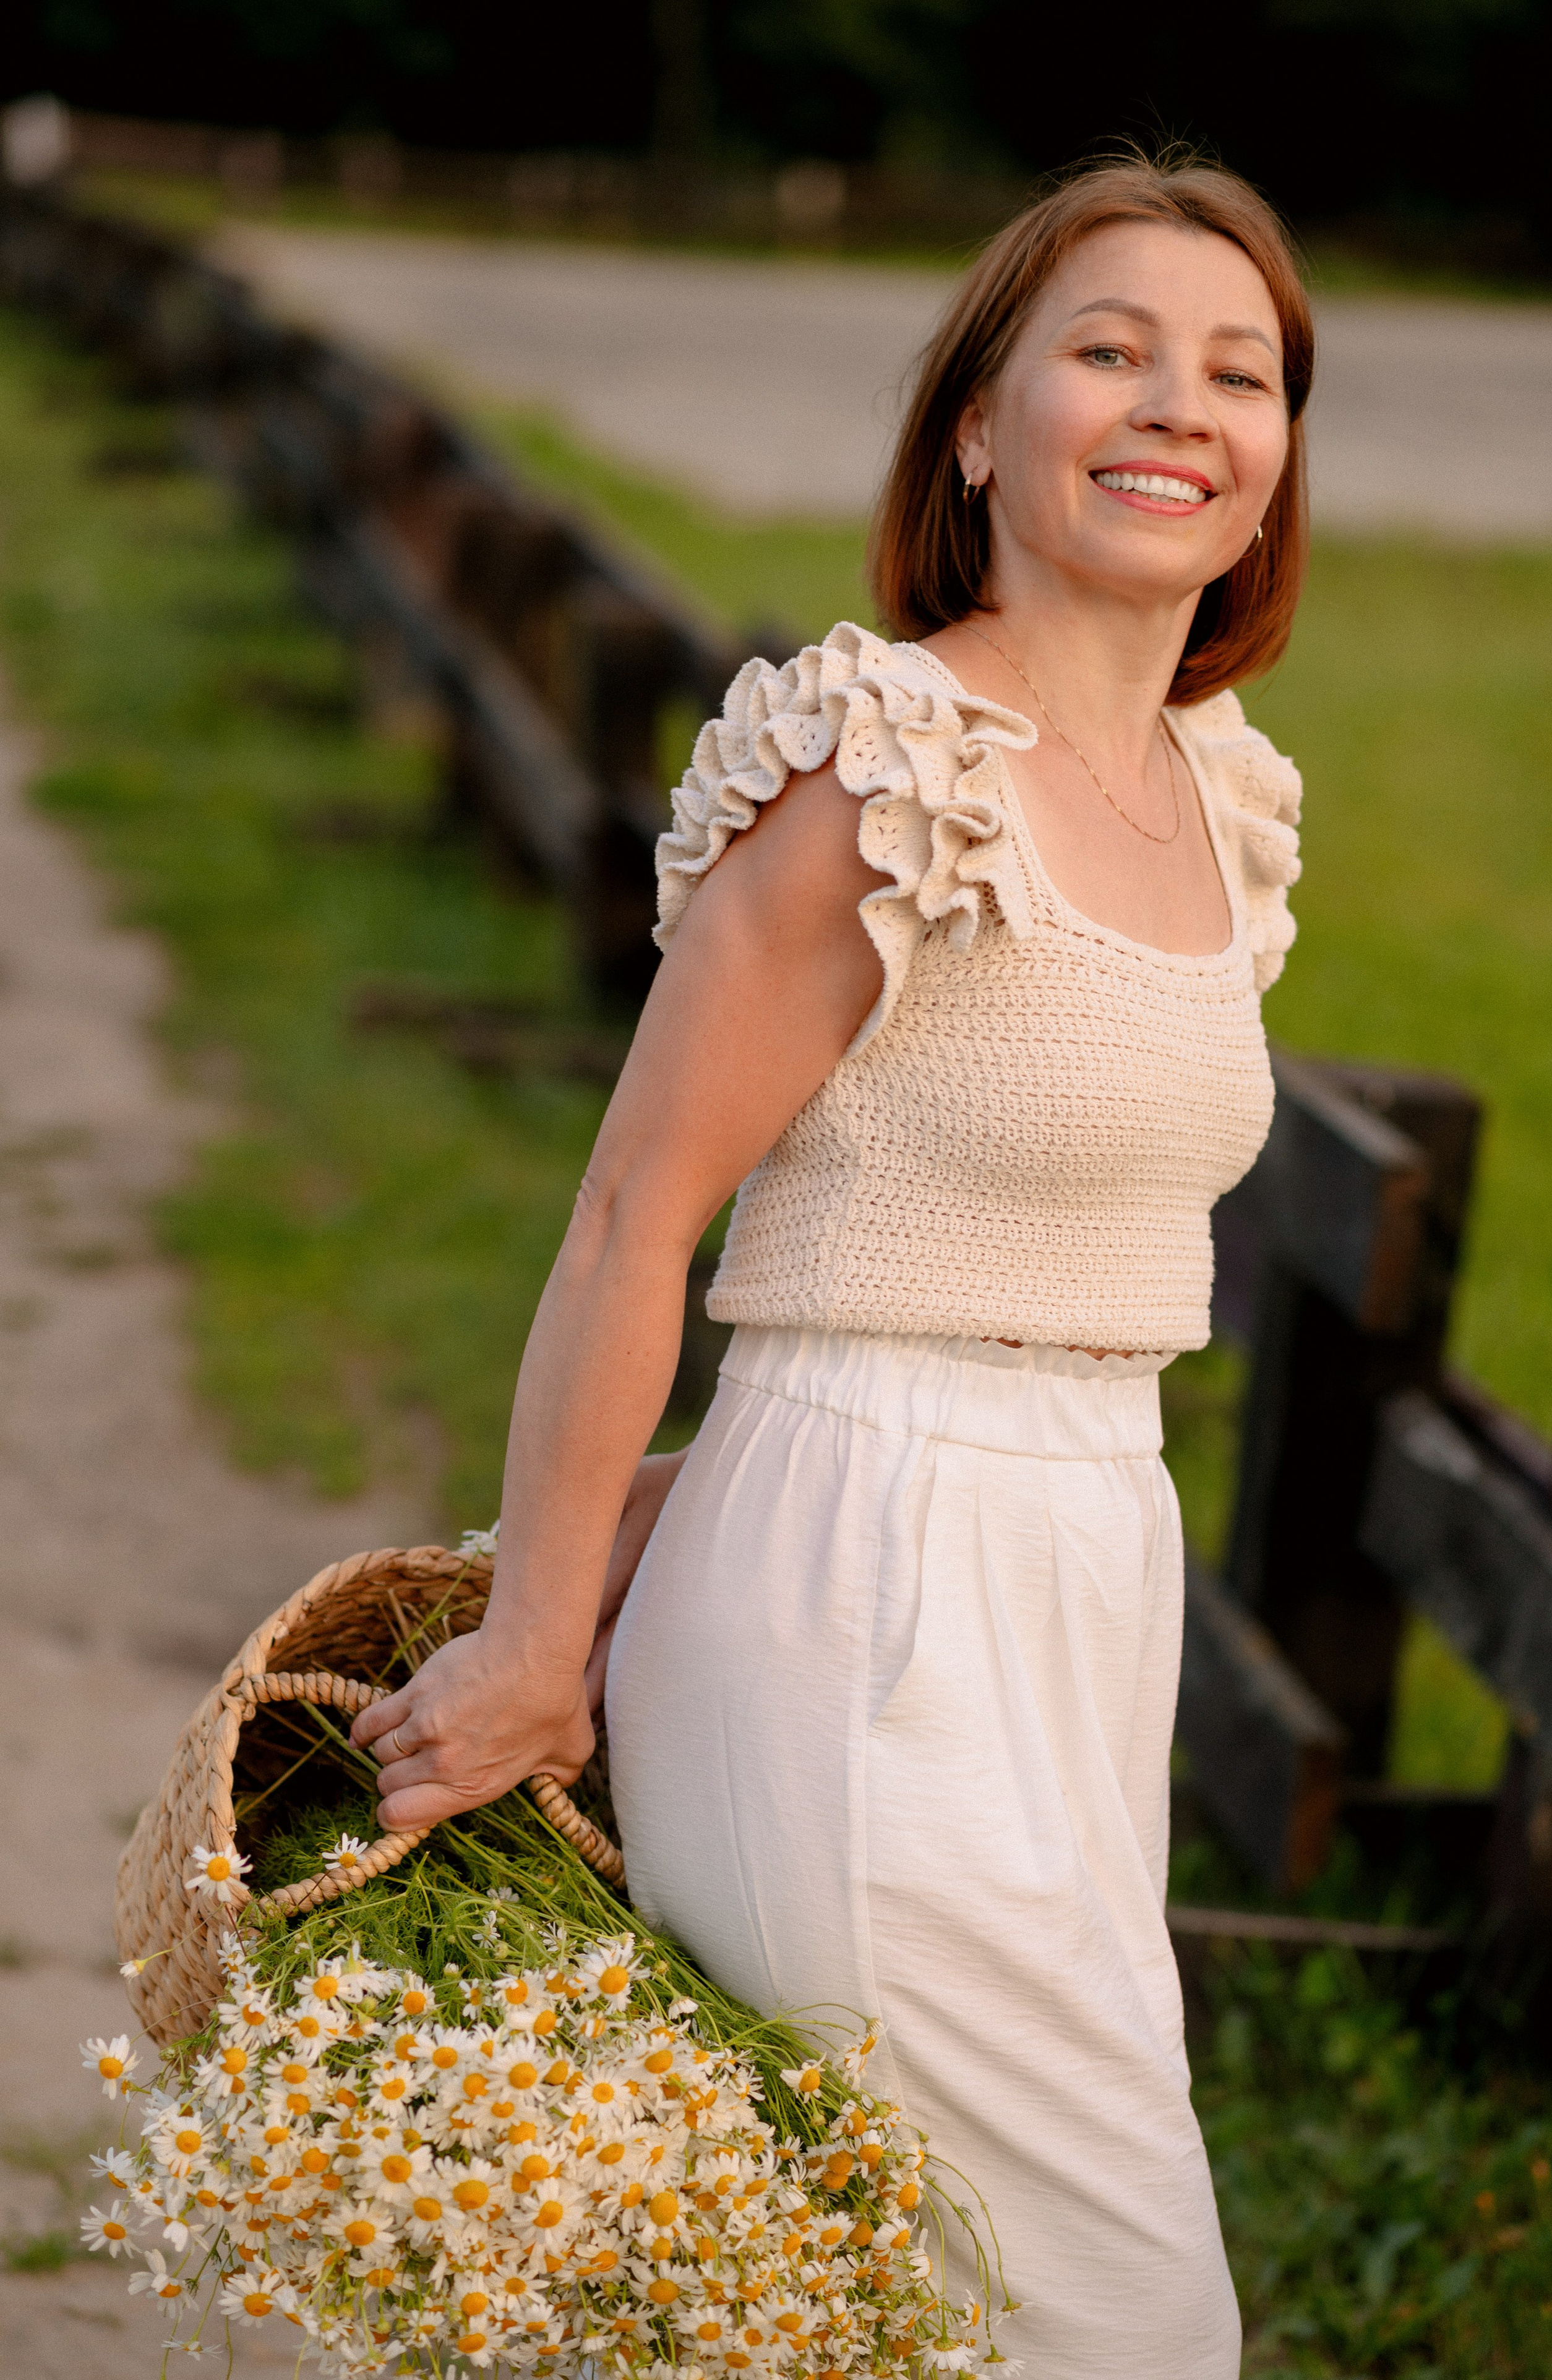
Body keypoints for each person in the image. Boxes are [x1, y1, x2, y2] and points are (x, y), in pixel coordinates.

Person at [352, 147, 1311, 2376]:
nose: (1180, 407)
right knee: (1113, 2316)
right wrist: (536, 1644)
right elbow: (639, 1215)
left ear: (1275, 455)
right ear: (978, 425)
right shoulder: (883, 768)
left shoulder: (1220, 794)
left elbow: (982, 1241)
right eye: (1110, 351)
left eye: (1240, 372)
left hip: (1087, 1583)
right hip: (865, 1604)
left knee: (886, 2311)